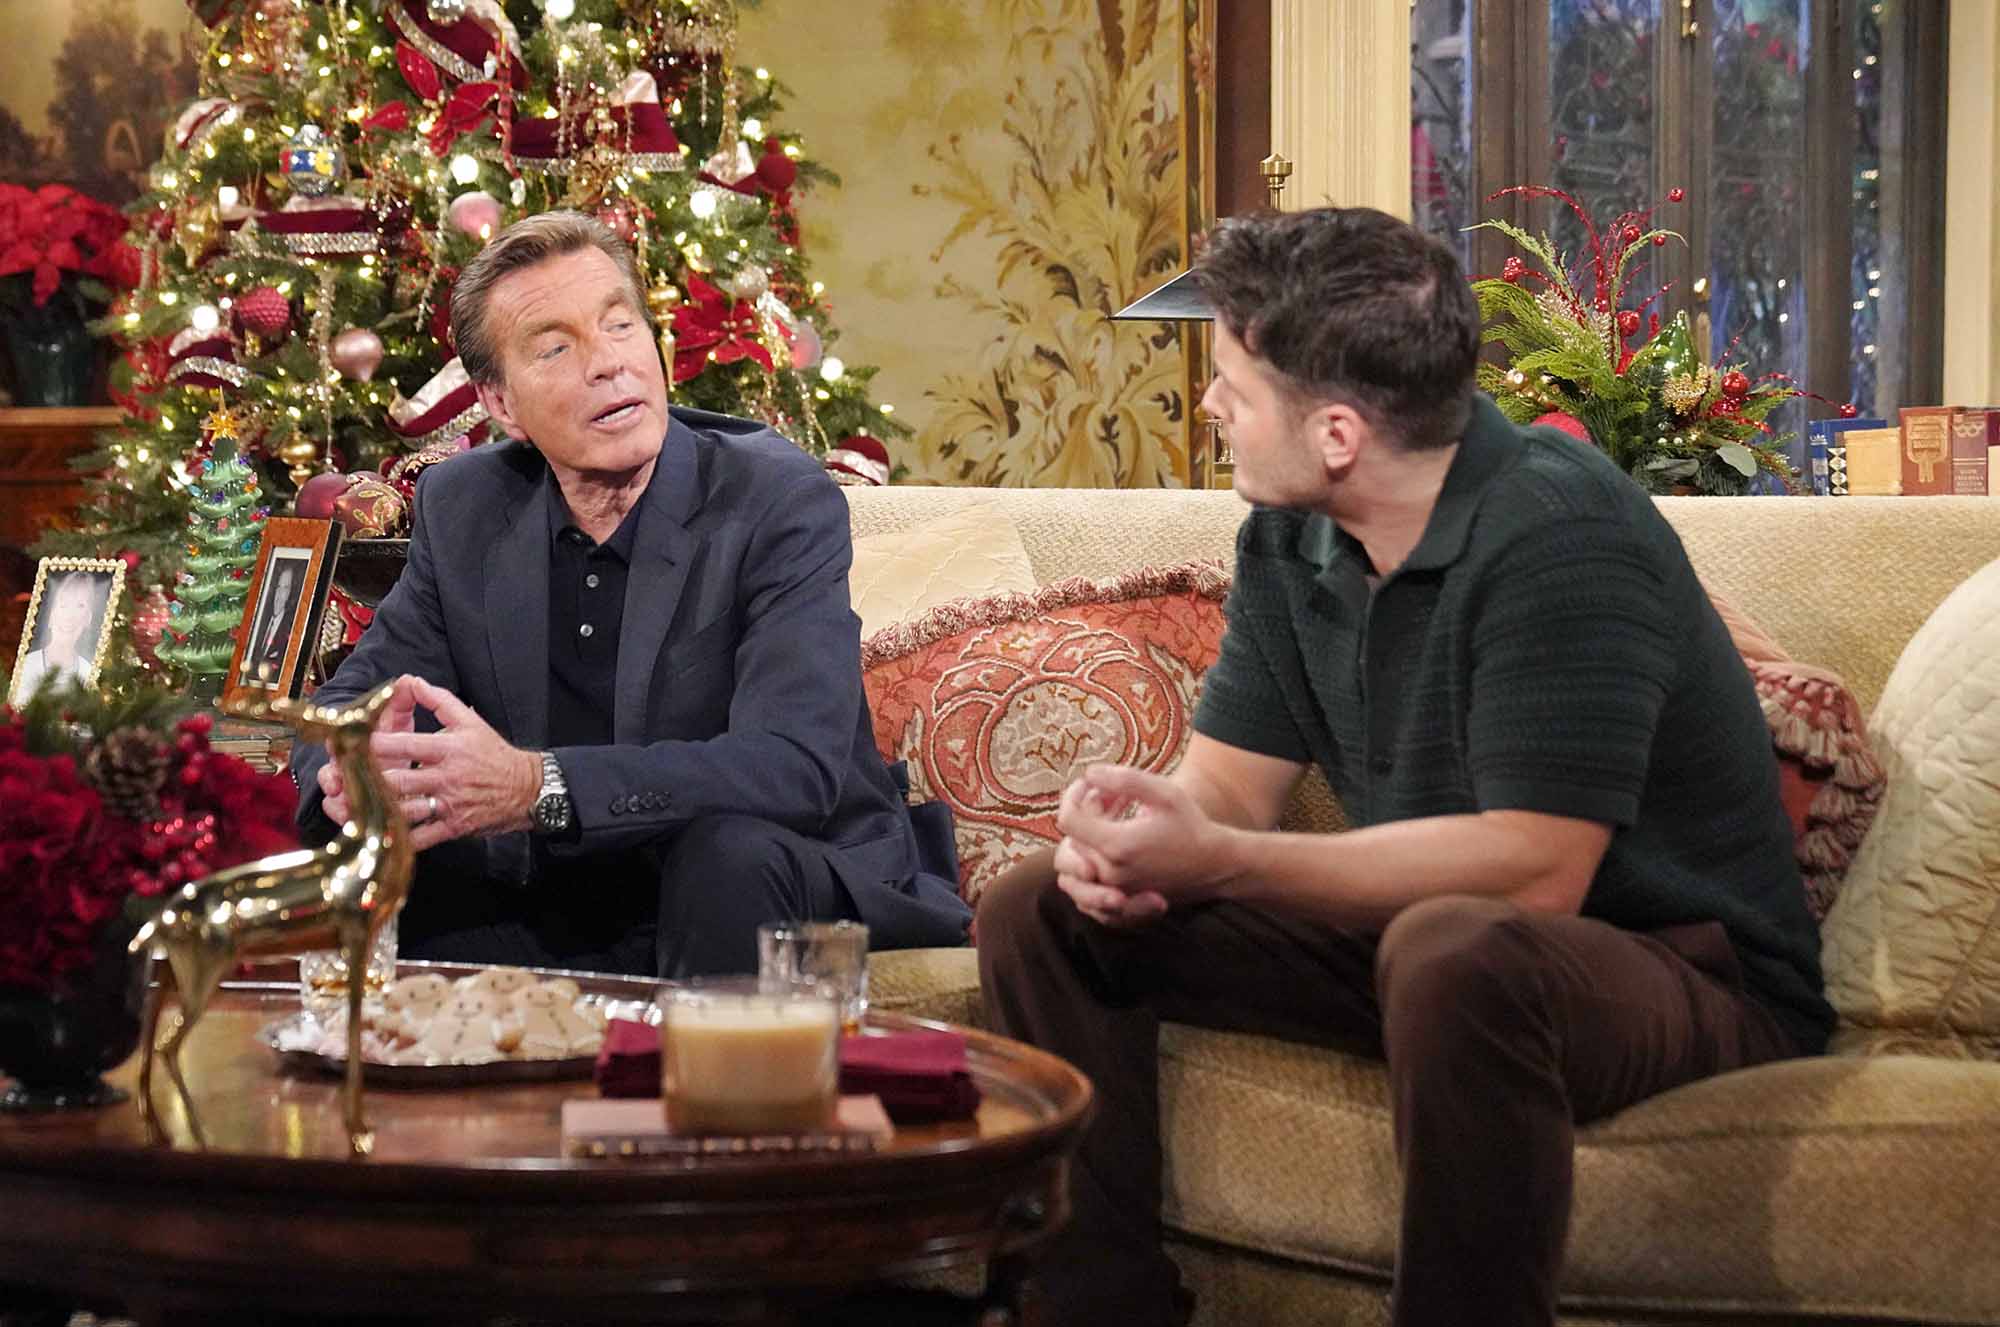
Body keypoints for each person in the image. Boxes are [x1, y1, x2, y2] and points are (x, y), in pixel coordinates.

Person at [977, 207, 1834, 1327]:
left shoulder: (1562, 532)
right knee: (1040, 908)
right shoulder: (1289, 532)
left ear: (1337, 431)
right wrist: (1144, 836)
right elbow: (1228, 790)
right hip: (1436, 937)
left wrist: (1216, 860)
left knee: (1457, 948)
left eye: (1233, 384)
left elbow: (1532, 876)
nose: (1210, 404)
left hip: (1680, 969)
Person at [290, 211, 970, 977]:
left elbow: (793, 768)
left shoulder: (773, 499)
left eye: (620, 326)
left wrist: (538, 787)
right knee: (404, 865)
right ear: (501, 404)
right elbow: (345, 703)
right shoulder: (467, 506)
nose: (608, 364)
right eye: (556, 348)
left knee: (725, 857)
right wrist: (352, 769)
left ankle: (708, 1059)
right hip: (569, 896)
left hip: (770, 875)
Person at [14, 572, 105, 701]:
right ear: (51, 615)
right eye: (63, 605)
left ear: (88, 619)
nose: (69, 616)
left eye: (80, 606)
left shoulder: (88, 673)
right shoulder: (26, 666)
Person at [243, 560, 301, 686]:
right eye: (278, 587)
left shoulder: (292, 629)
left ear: (292, 593)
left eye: (286, 588)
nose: (279, 594)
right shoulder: (259, 619)